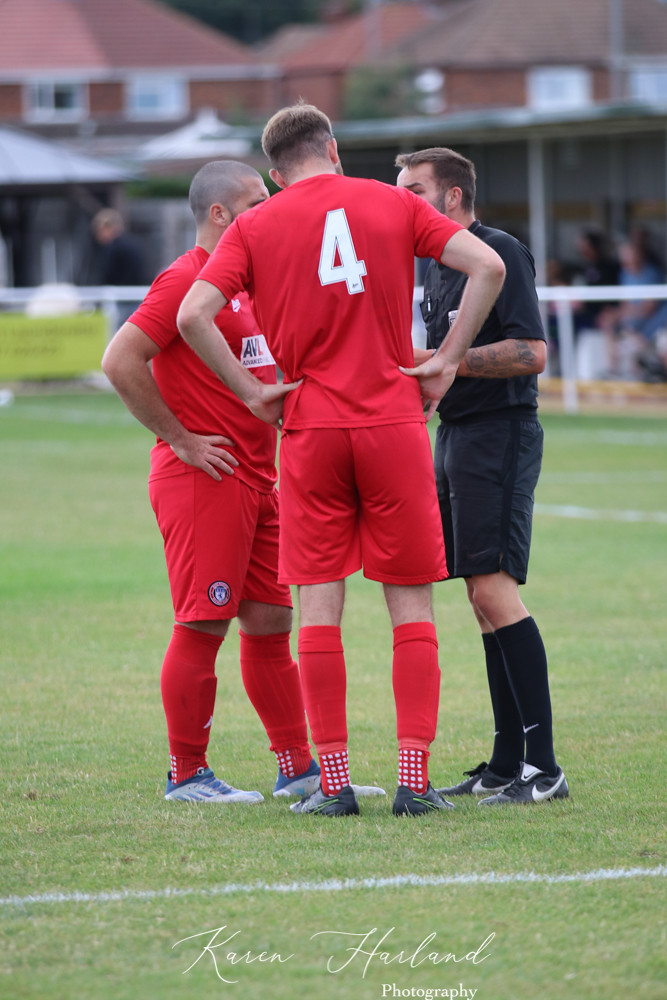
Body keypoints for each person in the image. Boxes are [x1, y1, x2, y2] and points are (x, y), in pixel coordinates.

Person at [176, 103, 505, 817]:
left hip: (311, 426)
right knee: (409, 603)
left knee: (319, 606)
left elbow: (191, 314)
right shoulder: (389, 201)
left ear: (274, 169)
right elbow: (488, 263)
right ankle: (414, 781)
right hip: (391, 420)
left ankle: (332, 784)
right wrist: (446, 359)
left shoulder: (256, 223)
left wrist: (252, 391)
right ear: (332, 147)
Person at [101, 160, 320, 805]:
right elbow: (120, 360)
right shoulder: (186, 279)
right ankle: (186, 774)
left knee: (271, 620)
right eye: (258, 201)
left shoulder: (244, 284)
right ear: (220, 214)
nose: (270, 208)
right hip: (204, 477)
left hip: (256, 478)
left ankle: (297, 768)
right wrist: (180, 438)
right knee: (203, 624)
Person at [395, 146, 568, 806]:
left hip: (500, 435)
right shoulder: (436, 263)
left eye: (413, 189)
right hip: (458, 437)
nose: (401, 200)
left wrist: (446, 363)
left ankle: (543, 768)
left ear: (451, 198)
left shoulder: (499, 251)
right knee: (478, 597)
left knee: (496, 593)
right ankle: (503, 762)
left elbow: (531, 352)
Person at [91, 208, 150, 324]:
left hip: (122, 300)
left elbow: (107, 274)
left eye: (99, 231)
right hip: (139, 297)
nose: (98, 236)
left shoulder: (113, 248)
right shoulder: (133, 243)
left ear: (107, 228)